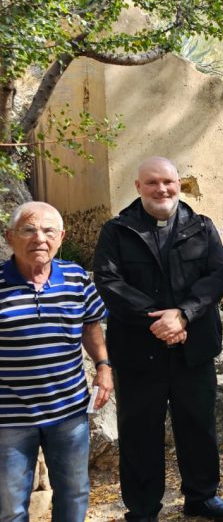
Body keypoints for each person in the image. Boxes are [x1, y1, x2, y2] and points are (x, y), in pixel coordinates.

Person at [93, 158, 223, 522]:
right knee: (139, 432)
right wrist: (160, 319)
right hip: (140, 351)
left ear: (179, 184)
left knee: (198, 427)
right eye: (153, 183)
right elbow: (110, 283)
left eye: (169, 182)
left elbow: (218, 276)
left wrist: (183, 314)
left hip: (193, 349)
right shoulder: (117, 230)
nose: (162, 189)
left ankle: (201, 498)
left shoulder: (202, 228)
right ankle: (142, 509)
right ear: (138, 186)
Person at [0, 202, 111, 522]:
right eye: (29, 230)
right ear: (10, 237)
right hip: (10, 416)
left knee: (74, 493)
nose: (40, 238)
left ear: (61, 237)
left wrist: (103, 366)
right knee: (10, 506)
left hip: (69, 412)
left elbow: (91, 326)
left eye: (49, 231)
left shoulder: (76, 278)